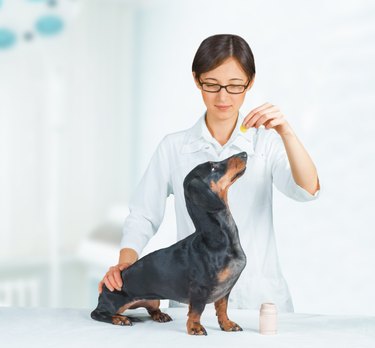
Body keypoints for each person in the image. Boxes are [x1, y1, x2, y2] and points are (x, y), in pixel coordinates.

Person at [98, 34, 320, 312]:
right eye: (212, 84)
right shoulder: (174, 147)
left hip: (260, 301)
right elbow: (143, 214)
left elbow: (308, 191)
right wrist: (126, 264)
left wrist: (286, 131)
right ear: (196, 80)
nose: (223, 96)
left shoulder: (265, 143)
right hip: (194, 299)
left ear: (250, 82)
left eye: (235, 85)